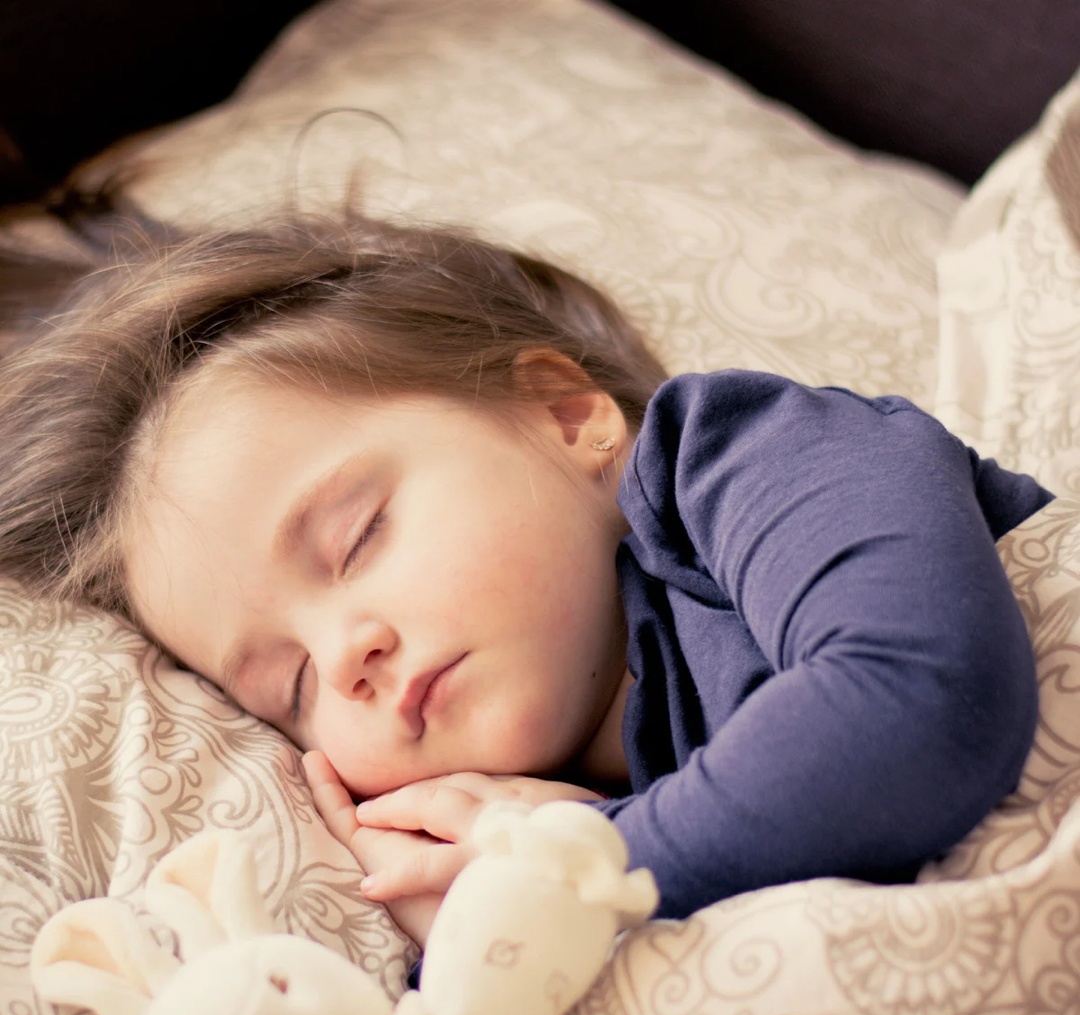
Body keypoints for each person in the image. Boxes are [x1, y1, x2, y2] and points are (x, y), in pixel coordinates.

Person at [0, 208, 1053, 949]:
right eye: (290, 689)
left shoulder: (744, 454)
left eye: (358, 536)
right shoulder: (555, 802)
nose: (345, 654)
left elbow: (920, 699)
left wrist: (561, 871)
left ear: (565, 415)